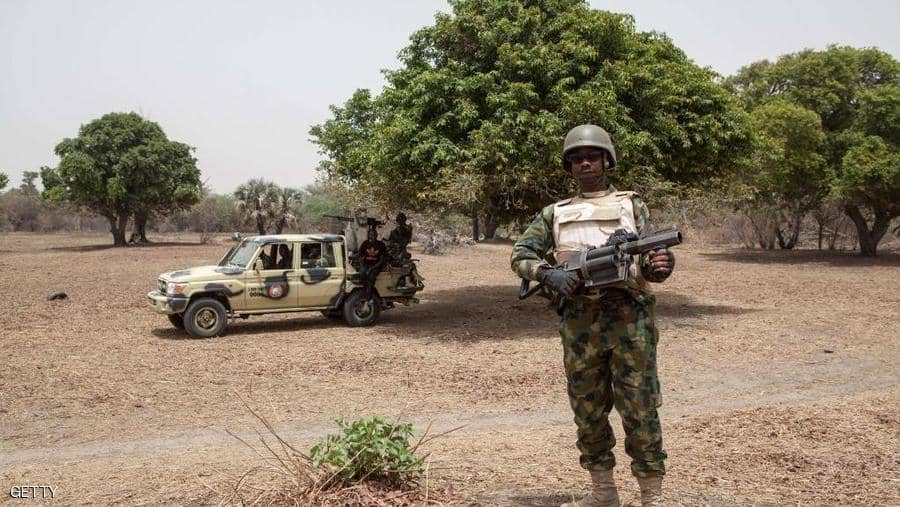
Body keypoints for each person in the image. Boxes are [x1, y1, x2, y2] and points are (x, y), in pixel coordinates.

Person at [510, 125, 675, 507]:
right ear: (570, 167)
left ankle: (652, 496)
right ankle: (603, 493)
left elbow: (652, 261)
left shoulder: (632, 205)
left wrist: (661, 265)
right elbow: (521, 254)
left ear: (607, 161)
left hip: (629, 319)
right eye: (577, 158)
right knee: (587, 409)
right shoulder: (554, 213)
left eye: (593, 156)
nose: (585, 163)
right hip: (580, 323)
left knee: (640, 406)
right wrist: (547, 273)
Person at [357, 228, 387, 299]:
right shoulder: (365, 243)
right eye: (370, 235)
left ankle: (369, 296)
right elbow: (360, 255)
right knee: (361, 274)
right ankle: (363, 291)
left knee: (371, 277)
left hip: (376, 265)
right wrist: (362, 265)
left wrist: (371, 269)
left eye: (373, 235)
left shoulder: (381, 245)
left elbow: (382, 260)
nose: (371, 236)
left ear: (376, 235)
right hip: (366, 264)